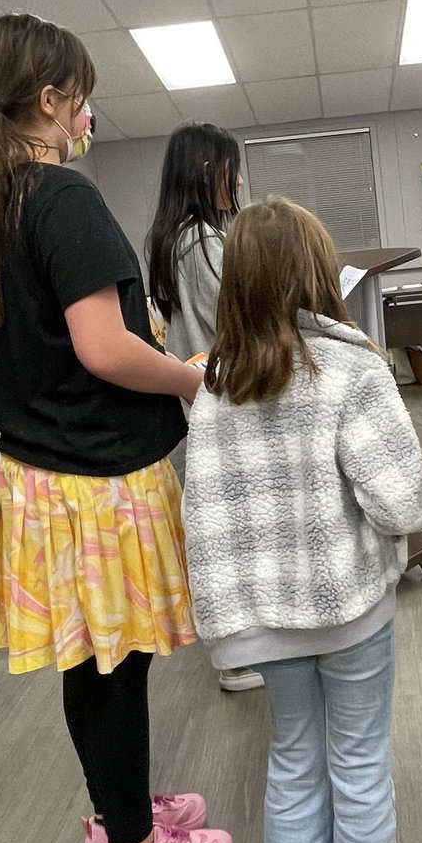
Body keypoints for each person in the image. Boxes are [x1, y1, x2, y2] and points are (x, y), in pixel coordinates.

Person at [0, 14, 232, 843]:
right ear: (52, 101)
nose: (88, 111)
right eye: (82, 94)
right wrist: (191, 378)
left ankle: (121, 816)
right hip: (96, 481)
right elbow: (106, 348)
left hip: (42, 475)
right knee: (115, 666)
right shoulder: (62, 196)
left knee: (98, 662)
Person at [182, 196, 422, 843]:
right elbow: (400, 506)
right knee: (358, 772)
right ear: (317, 272)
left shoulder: (213, 384)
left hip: (261, 621)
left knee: (293, 768)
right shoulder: (351, 368)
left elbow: (204, 514)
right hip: (349, 613)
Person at [146, 120, 263, 694]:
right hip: (226, 400)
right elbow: (239, 320)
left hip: (205, 401)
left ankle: (237, 651)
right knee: (237, 532)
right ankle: (237, 657)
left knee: (222, 528)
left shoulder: (175, 236)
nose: (236, 179)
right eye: (229, 167)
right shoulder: (206, 242)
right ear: (208, 172)